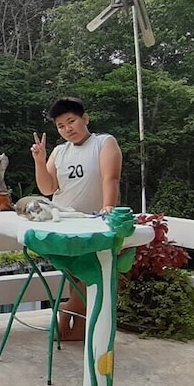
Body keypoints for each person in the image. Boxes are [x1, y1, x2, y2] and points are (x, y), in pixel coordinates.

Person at [30, 97, 122, 340]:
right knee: (76, 275)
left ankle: (67, 310)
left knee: (91, 271)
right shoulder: (60, 152)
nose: (67, 129)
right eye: (61, 126)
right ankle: (78, 328)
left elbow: (110, 178)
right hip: (63, 223)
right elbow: (47, 188)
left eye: (71, 121)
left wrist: (108, 207)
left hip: (93, 223)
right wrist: (40, 160)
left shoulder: (104, 142)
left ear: (85, 118)